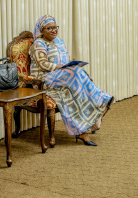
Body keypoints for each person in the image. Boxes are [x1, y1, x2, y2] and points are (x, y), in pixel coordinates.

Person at [29, 15, 114, 146]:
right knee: (76, 73)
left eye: (55, 27)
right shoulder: (38, 44)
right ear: (42, 30)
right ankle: (100, 100)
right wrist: (64, 68)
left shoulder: (60, 42)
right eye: (49, 28)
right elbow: (43, 64)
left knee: (78, 79)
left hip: (64, 77)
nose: (53, 31)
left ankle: (82, 129)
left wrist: (74, 68)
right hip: (45, 80)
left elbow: (67, 61)